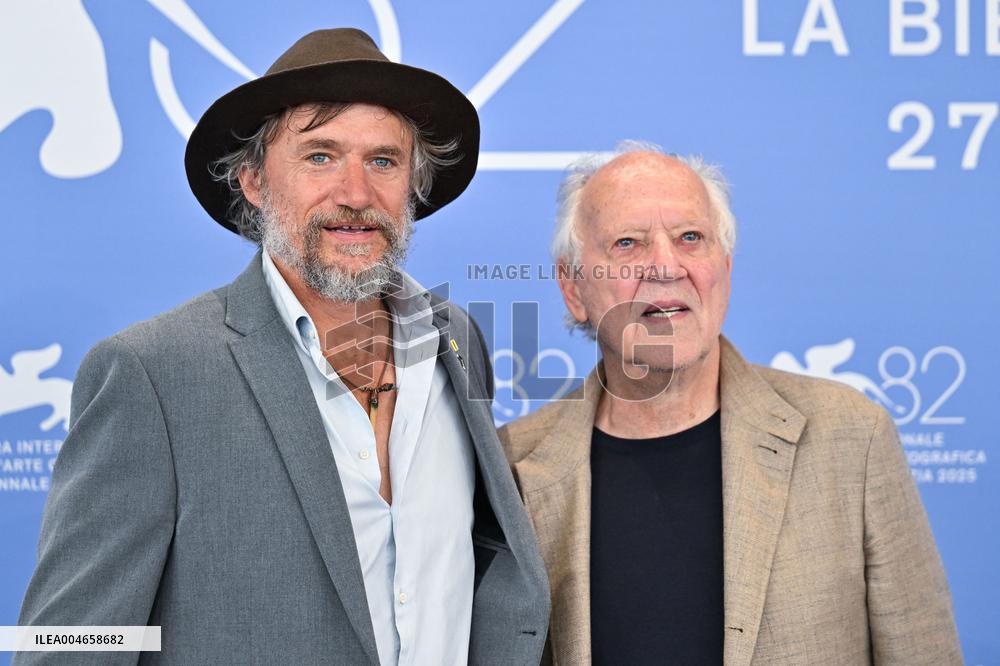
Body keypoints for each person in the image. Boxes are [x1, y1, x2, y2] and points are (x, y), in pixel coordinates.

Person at [16, 28, 549, 665]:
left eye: (382, 161)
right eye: (320, 156)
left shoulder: (456, 340)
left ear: (412, 185)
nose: (355, 194)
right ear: (254, 181)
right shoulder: (151, 373)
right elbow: (69, 643)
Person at [498, 142, 962, 665]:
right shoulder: (511, 467)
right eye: (628, 243)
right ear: (573, 287)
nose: (665, 266)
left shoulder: (851, 436)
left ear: (724, 267)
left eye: (690, 238)